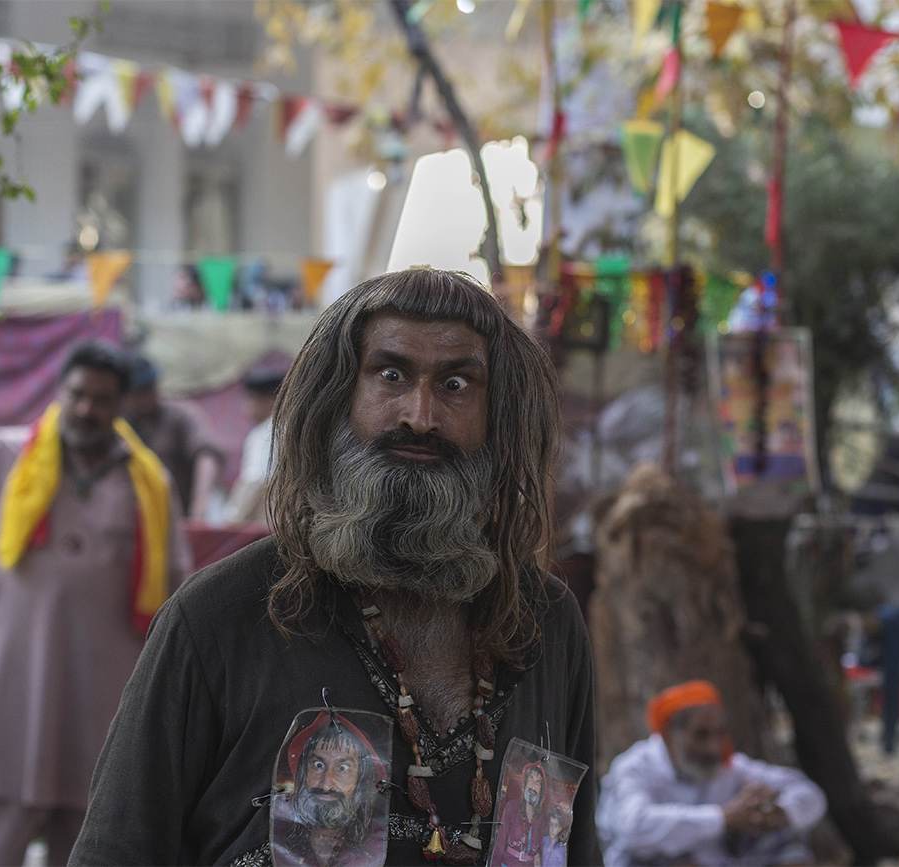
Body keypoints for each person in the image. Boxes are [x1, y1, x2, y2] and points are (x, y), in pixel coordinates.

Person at [70, 267, 600, 866]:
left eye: (456, 383)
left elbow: (578, 850)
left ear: (496, 415)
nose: (420, 416)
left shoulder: (547, 625)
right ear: (338, 399)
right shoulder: (219, 618)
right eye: (392, 375)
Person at [0, 340, 193, 867]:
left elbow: (175, 582)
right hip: (16, 684)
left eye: (102, 399)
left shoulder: (150, 483)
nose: (86, 409)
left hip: (100, 693)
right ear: (60, 393)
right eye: (77, 394)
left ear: (121, 405)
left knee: (90, 827)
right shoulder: (5, 454)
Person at [597, 680, 826, 867]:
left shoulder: (727, 766)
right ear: (668, 735)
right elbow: (633, 828)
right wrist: (723, 818)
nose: (713, 746)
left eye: (719, 733)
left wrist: (779, 812)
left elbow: (808, 792)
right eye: (701, 735)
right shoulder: (634, 768)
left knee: (788, 837)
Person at [273, 712, 387, 867]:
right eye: (318, 765)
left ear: (361, 780)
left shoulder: (377, 840)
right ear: (303, 773)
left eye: (343, 768)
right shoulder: (278, 830)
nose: (326, 785)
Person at [121, 351, 224, 520]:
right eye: (139, 392)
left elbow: (207, 455)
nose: (146, 397)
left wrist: (199, 507)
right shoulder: (118, 422)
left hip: (178, 518)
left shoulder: (178, 414)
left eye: (150, 388)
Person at [226, 349, 293, 524]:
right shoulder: (292, 428)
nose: (246, 408)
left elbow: (256, 479)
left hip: (269, 525)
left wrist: (232, 519)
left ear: (271, 400)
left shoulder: (266, 432)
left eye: (251, 400)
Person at [493, 762, 548, 867]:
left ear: (541, 790)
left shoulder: (541, 818)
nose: (532, 787)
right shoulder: (512, 807)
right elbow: (500, 843)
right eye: (531, 780)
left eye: (537, 783)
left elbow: (541, 851)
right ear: (525, 783)